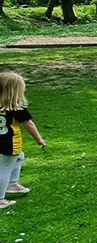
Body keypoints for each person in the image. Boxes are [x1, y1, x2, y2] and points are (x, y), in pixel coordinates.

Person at [0, 72, 46, 210]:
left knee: (20, 156)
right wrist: (39, 139)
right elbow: (29, 124)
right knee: (5, 169)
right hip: (10, 142)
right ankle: (0, 199)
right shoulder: (16, 108)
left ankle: (13, 184)